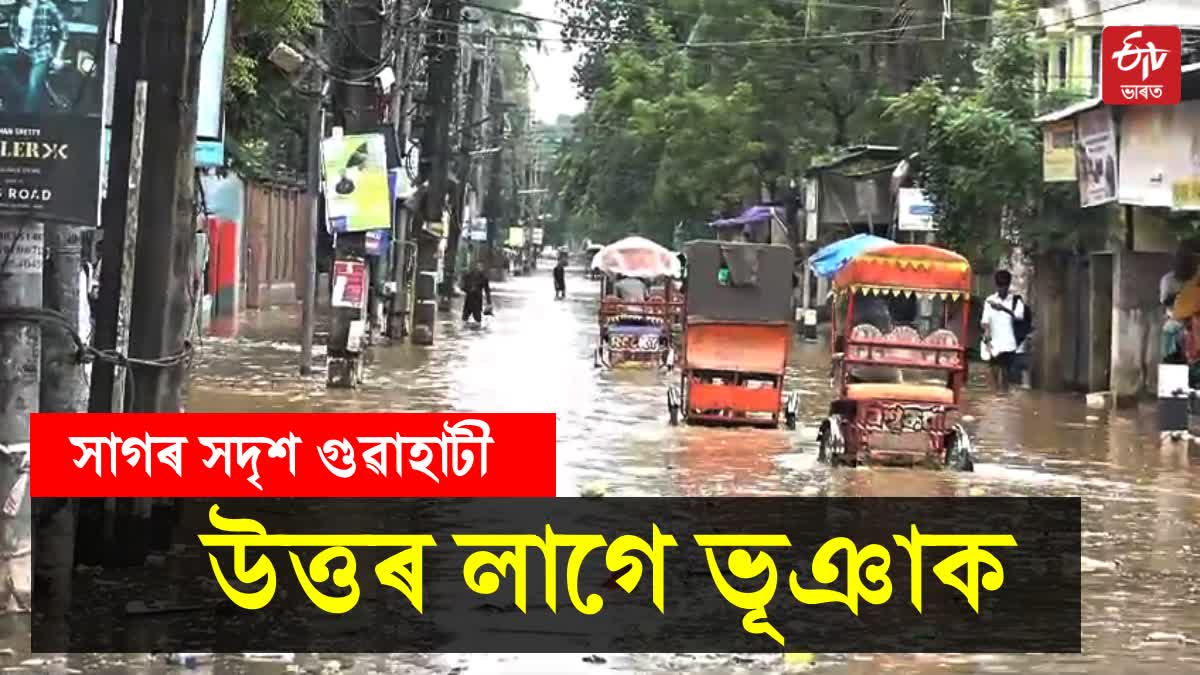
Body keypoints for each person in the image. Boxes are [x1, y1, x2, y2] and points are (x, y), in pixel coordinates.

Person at [0, 0, 67, 113]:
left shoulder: (47, 7)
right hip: (21, 52)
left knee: (34, 85)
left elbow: (64, 31)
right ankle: (13, 96)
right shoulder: (16, 7)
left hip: (41, 54)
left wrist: (58, 56)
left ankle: (27, 118)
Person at [981, 269, 1026, 392]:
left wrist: (1003, 308)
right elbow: (985, 321)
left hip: (1010, 345)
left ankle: (1005, 398)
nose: (1002, 290)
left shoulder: (1016, 301)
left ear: (1008, 285)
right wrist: (986, 334)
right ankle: (998, 401)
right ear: (997, 285)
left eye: (1004, 286)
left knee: (1006, 379)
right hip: (994, 344)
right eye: (1000, 286)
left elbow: (1019, 316)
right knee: (994, 378)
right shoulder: (990, 300)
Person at [1161, 249, 1196, 364]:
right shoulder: (1168, 280)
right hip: (1175, 319)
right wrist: (1180, 296)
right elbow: (1165, 301)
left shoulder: (1194, 279)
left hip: (1193, 319)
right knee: (1170, 334)